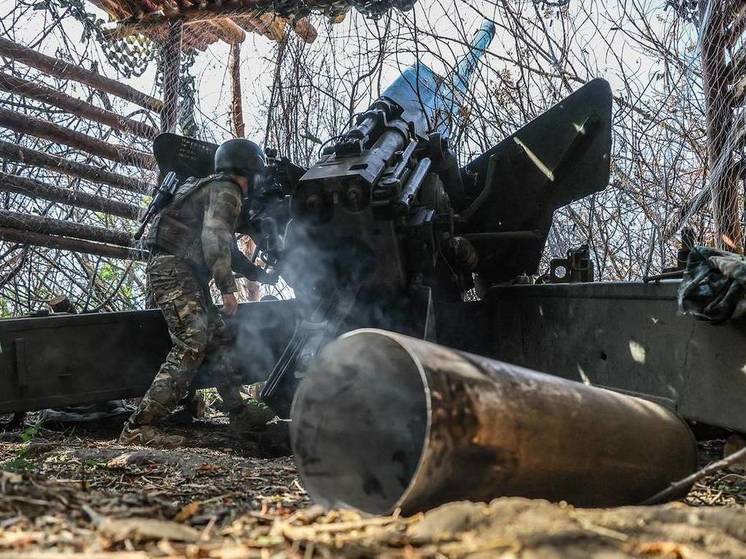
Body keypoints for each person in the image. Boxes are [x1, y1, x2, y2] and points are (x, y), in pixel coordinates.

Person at [119, 139, 277, 447]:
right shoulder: (228, 190)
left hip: (181, 269)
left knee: (218, 339)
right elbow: (215, 239)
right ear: (251, 170)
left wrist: (258, 274)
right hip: (175, 268)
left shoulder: (211, 186)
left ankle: (240, 413)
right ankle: (139, 425)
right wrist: (228, 290)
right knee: (193, 340)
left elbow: (227, 246)